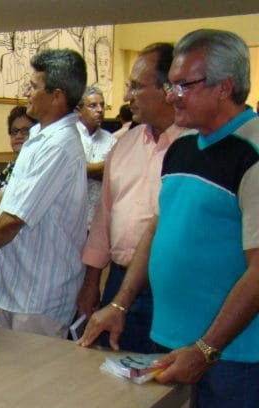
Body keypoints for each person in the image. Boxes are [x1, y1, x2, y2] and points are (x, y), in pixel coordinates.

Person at [80, 29, 259, 408]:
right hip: (168, 347)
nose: (173, 94)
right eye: (169, 84)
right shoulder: (183, 149)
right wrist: (120, 303)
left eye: (183, 85)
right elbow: (157, 230)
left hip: (231, 357)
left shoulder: (250, 154)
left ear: (225, 87)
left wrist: (207, 349)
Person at [74, 43, 185, 353]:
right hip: (118, 282)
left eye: (136, 86)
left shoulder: (193, 148)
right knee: (115, 376)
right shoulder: (124, 145)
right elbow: (104, 218)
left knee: (166, 386)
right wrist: (90, 283)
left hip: (169, 287)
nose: (126, 96)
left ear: (168, 88)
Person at [0, 49, 88, 339]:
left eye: (34, 87)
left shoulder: (59, 146)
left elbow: (14, 219)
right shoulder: (38, 137)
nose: (27, 92)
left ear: (57, 96)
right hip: (16, 288)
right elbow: (12, 200)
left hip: (39, 295)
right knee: (10, 378)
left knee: (36, 381)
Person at [76, 86, 116, 227]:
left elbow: (113, 175)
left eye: (102, 105)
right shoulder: (71, 136)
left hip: (97, 220)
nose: (100, 110)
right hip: (71, 219)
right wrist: (103, 167)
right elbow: (68, 170)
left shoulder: (110, 139)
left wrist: (84, 169)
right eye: (93, 106)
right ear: (78, 110)